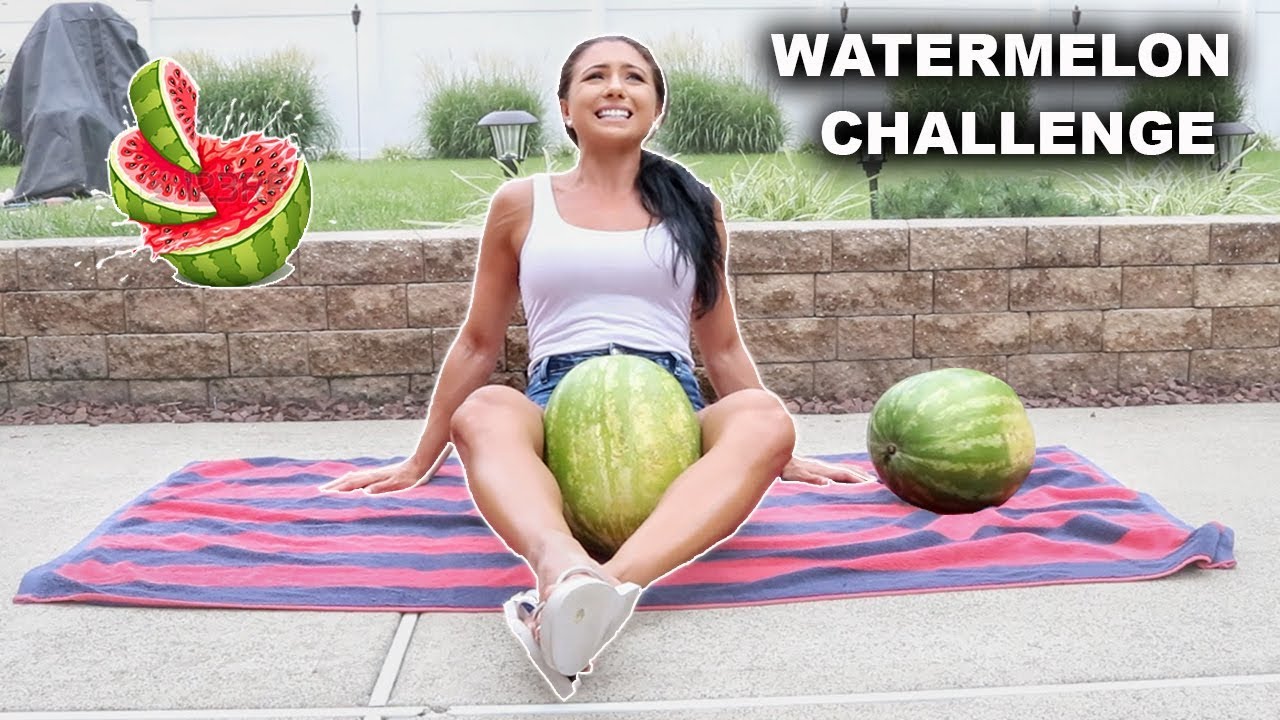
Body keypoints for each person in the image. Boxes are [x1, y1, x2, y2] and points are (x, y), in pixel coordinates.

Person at [320, 33, 871, 698]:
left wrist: (778, 452)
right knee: (485, 408)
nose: (616, 87)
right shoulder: (522, 204)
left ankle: (603, 589)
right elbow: (477, 344)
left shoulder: (696, 205)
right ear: (565, 107)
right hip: (557, 405)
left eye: (634, 77)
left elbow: (720, 347)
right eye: (597, 77)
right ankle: (560, 567)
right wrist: (419, 460)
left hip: (668, 402)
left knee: (764, 417)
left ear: (656, 108)